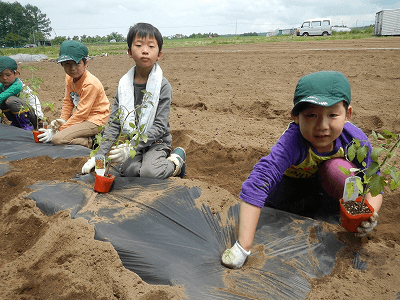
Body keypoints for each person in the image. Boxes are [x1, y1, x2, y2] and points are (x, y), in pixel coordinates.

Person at [221, 71, 382, 269]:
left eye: (332, 115)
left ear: (348, 114)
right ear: (296, 117)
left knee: (339, 172)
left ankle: (337, 215)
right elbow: (258, 181)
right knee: (273, 199)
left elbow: (374, 181)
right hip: (290, 191)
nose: (322, 126)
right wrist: (242, 247)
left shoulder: (357, 141)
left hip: (326, 190)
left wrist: (367, 214)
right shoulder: (292, 141)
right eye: (311, 115)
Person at [81, 23, 186, 179]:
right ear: (129, 52)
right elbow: (115, 123)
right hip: (133, 142)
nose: (145, 50)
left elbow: (160, 125)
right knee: (130, 172)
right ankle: (144, 161)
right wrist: (98, 157)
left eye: (151, 46)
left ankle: (177, 160)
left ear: (159, 54)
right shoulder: (124, 86)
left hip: (157, 141)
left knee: (149, 173)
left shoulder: (163, 86)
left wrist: (131, 146)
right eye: (138, 45)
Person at [37, 40, 110, 148]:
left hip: (96, 120)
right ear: (62, 64)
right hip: (83, 118)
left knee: (57, 139)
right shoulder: (69, 78)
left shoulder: (90, 83)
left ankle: (91, 141)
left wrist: (59, 131)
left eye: (77, 63)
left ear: (86, 63)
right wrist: (63, 120)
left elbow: (82, 113)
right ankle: (83, 136)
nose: (72, 68)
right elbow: (68, 102)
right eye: (67, 64)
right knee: (62, 133)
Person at [0, 56, 44, 130]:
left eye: (8, 75)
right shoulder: (2, 85)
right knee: (3, 102)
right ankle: (16, 123)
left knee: (10, 100)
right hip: (21, 112)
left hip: (33, 116)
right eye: (0, 75)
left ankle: (26, 125)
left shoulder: (17, 85)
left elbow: (1, 97)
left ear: (16, 74)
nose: (4, 78)